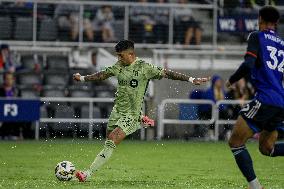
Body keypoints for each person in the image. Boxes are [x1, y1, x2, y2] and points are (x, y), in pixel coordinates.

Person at [73, 40, 210, 182]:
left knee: (112, 140)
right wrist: (82, 78)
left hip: (131, 114)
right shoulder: (118, 66)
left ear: (131, 54)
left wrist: (191, 79)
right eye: (117, 56)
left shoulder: (144, 67)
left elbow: (167, 73)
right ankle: (141, 121)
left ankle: (87, 174)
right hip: (117, 111)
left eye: (121, 55)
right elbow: (103, 75)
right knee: (109, 140)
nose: (119, 58)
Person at [226, 6, 284, 189]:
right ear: (277, 23)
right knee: (267, 148)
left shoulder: (256, 36)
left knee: (235, 142)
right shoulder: (282, 44)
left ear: (259, 18)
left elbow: (249, 64)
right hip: (280, 102)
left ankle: (256, 187)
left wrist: (232, 80)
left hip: (266, 99)